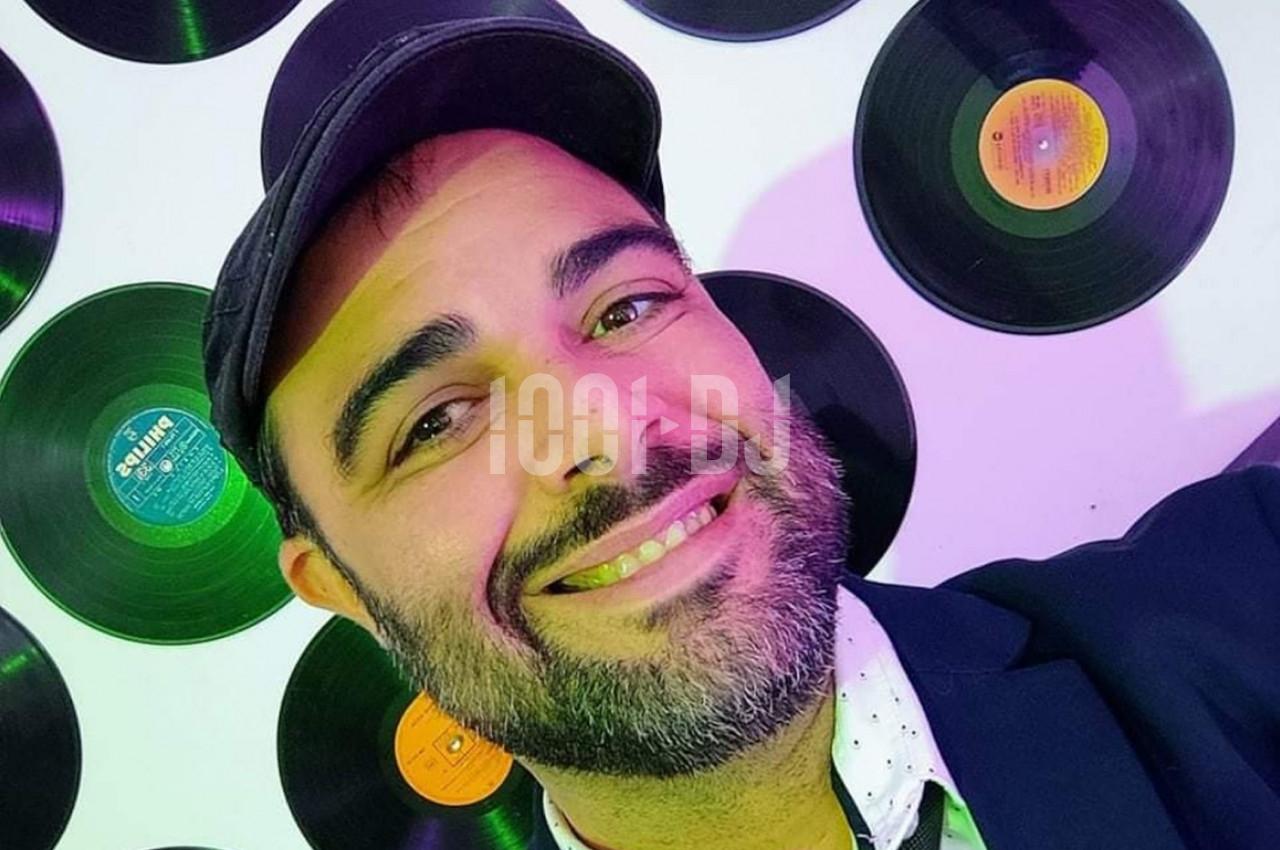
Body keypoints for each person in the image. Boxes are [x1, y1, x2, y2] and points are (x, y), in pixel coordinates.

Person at [201, 4, 1280, 849]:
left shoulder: (1251, 594)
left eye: (625, 308)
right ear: (338, 584)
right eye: (436, 419)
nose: (600, 426)